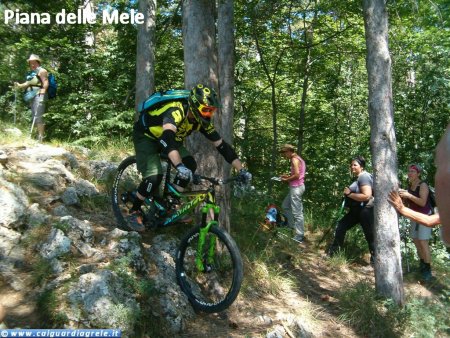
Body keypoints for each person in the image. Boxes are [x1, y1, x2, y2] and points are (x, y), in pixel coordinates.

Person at [128, 83, 252, 232]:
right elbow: (167, 138)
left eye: (211, 111)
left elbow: (222, 146)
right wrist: (179, 166)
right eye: (206, 110)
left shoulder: (201, 121)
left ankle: (170, 204)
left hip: (172, 140)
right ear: (194, 105)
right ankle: (134, 211)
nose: (208, 114)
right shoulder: (176, 110)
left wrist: (242, 170)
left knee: (190, 165)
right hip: (147, 136)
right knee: (154, 176)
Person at [327, 156, 375, 263]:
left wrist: (349, 194)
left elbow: (367, 196)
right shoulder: (359, 177)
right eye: (351, 165)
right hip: (357, 211)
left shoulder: (364, 177)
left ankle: (376, 260)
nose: (352, 167)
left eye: (355, 165)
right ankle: (334, 253)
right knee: (341, 226)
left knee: (370, 235)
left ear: (361, 167)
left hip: (365, 210)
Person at [398, 164, 433, 281]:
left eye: (413, 171)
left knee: (423, 242)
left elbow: (423, 202)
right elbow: (409, 204)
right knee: (416, 241)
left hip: (425, 217)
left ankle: (428, 271)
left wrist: (409, 195)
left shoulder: (422, 185)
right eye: (409, 171)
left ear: (418, 174)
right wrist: (402, 198)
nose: (410, 173)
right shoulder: (409, 186)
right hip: (414, 217)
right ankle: (422, 264)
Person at [14, 54, 49, 142]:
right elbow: (26, 84)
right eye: (30, 63)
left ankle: (40, 138)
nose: (32, 65)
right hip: (33, 96)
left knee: (39, 116)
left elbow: (45, 83)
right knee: (34, 116)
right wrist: (18, 85)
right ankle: (38, 137)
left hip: (40, 95)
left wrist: (42, 94)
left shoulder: (42, 71)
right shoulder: (32, 74)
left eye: (34, 63)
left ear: (38, 62)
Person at [279, 144, 306, 243]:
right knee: (285, 205)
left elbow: (297, 175)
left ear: (289, 151)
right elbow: (297, 174)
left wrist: (286, 180)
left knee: (297, 212)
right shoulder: (298, 158)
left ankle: (300, 235)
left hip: (296, 188)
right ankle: (290, 226)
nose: (284, 155)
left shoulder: (294, 159)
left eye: (284, 153)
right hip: (296, 187)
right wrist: (286, 176)